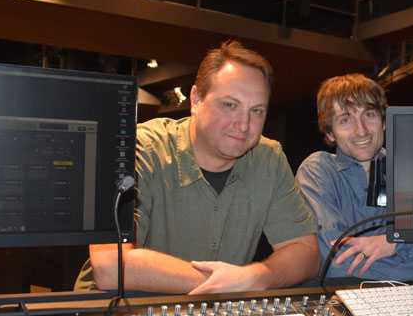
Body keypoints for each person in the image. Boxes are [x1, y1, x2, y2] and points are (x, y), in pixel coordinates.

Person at [75, 40, 319, 294]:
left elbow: (306, 252)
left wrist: (255, 277)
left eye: (256, 111)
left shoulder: (269, 158)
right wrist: (223, 285)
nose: (244, 124)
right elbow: (110, 265)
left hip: (207, 315)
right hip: (111, 311)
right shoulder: (138, 148)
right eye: (230, 105)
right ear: (195, 99)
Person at [296, 74, 413, 281]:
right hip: (347, 297)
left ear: (383, 122)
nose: (361, 130)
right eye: (345, 120)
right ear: (330, 134)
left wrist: (394, 241)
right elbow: (334, 261)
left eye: (369, 115)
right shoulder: (318, 171)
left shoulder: (411, 170)